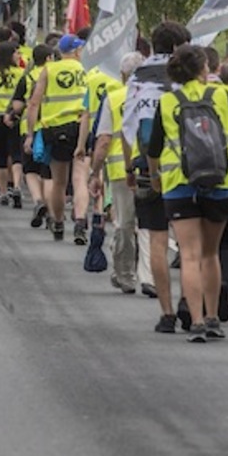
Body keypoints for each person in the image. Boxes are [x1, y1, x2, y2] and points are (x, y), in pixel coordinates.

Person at [146, 44, 228, 343]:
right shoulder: (220, 95)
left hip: (179, 181)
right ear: (204, 69)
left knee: (189, 255)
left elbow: (153, 148)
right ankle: (214, 317)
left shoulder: (167, 101)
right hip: (219, 179)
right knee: (210, 253)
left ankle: (197, 322)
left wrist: (155, 178)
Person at [122, 21, 192, 330]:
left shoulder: (136, 78)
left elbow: (127, 127)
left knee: (157, 242)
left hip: (147, 165)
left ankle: (166, 313)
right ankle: (190, 302)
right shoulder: (188, 77)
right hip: (185, 166)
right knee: (190, 245)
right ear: (178, 48)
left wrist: (129, 168)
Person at [89, 52, 145, 298]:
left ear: (122, 75)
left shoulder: (113, 98)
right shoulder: (158, 97)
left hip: (122, 170)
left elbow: (103, 141)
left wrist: (94, 172)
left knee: (124, 223)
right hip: (157, 169)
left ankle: (126, 275)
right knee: (150, 225)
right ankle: (149, 274)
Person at [23, 34, 88, 241]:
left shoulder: (48, 70)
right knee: (79, 179)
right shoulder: (87, 70)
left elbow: (34, 103)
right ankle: (79, 222)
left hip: (54, 128)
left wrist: (30, 133)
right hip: (80, 126)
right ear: (77, 51)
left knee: (59, 181)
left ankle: (58, 222)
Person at [11, 44, 54, 227]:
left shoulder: (27, 78)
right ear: (49, 58)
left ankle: (37, 201)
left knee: (30, 170)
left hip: (29, 128)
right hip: (50, 127)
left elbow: (17, 106)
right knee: (48, 172)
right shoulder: (54, 76)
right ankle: (51, 209)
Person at [0, 41, 25, 208]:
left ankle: (2, 192)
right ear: (10, 55)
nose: (20, 56)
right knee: (16, 153)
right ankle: (16, 186)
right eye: (17, 53)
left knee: (0, 154)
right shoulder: (20, 73)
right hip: (13, 117)